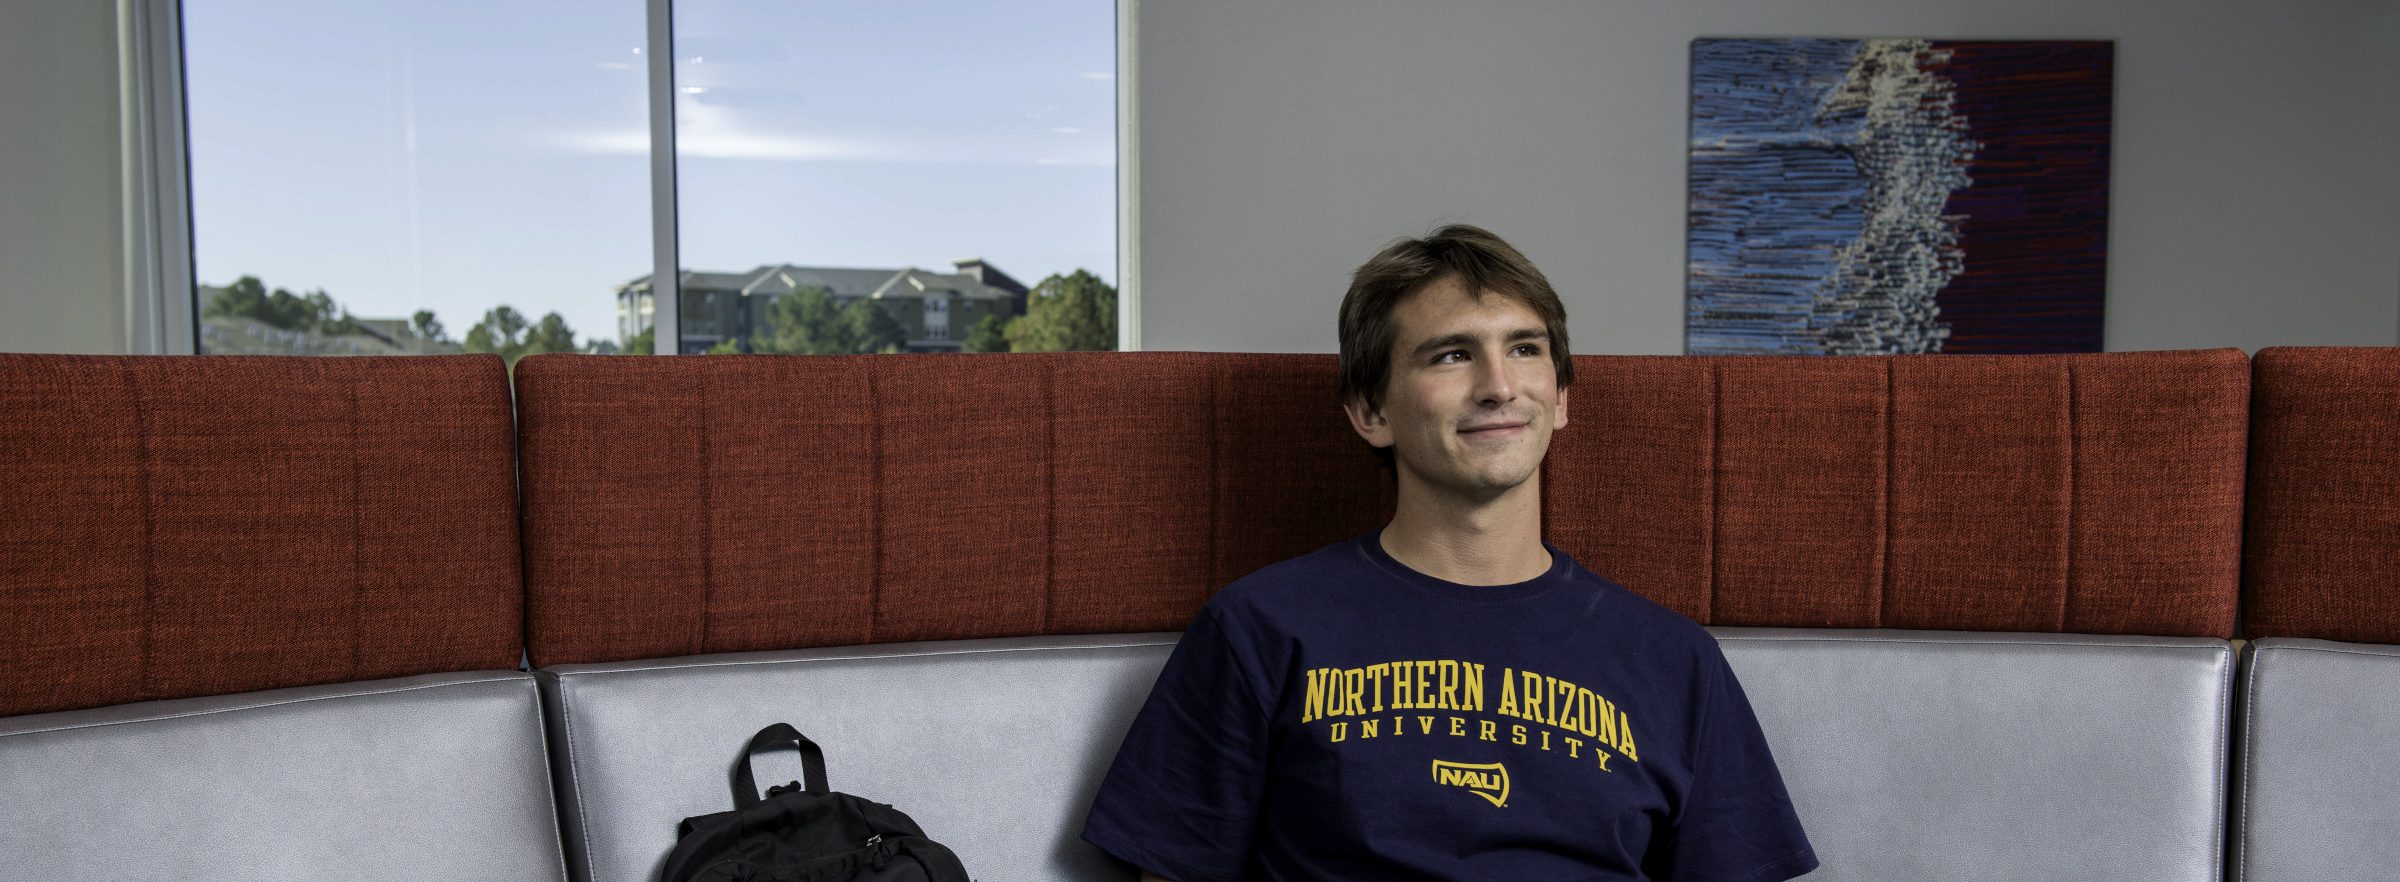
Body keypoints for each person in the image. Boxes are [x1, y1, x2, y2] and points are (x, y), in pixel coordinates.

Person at [1079, 225, 1817, 882]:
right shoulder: (1259, 629)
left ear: (1560, 398)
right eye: (1453, 355)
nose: (1499, 386)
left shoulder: (1674, 660)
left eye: (1525, 349)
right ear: (1372, 413)